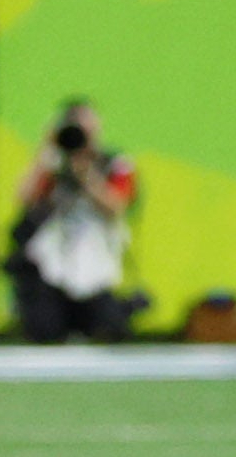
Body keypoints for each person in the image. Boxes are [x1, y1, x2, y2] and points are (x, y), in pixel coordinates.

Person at [9, 100, 139, 342]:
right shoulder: (54, 165)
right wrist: (45, 151)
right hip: (55, 268)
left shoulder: (114, 164)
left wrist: (86, 173)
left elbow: (116, 207)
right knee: (44, 330)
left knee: (108, 329)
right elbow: (23, 197)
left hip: (98, 267)